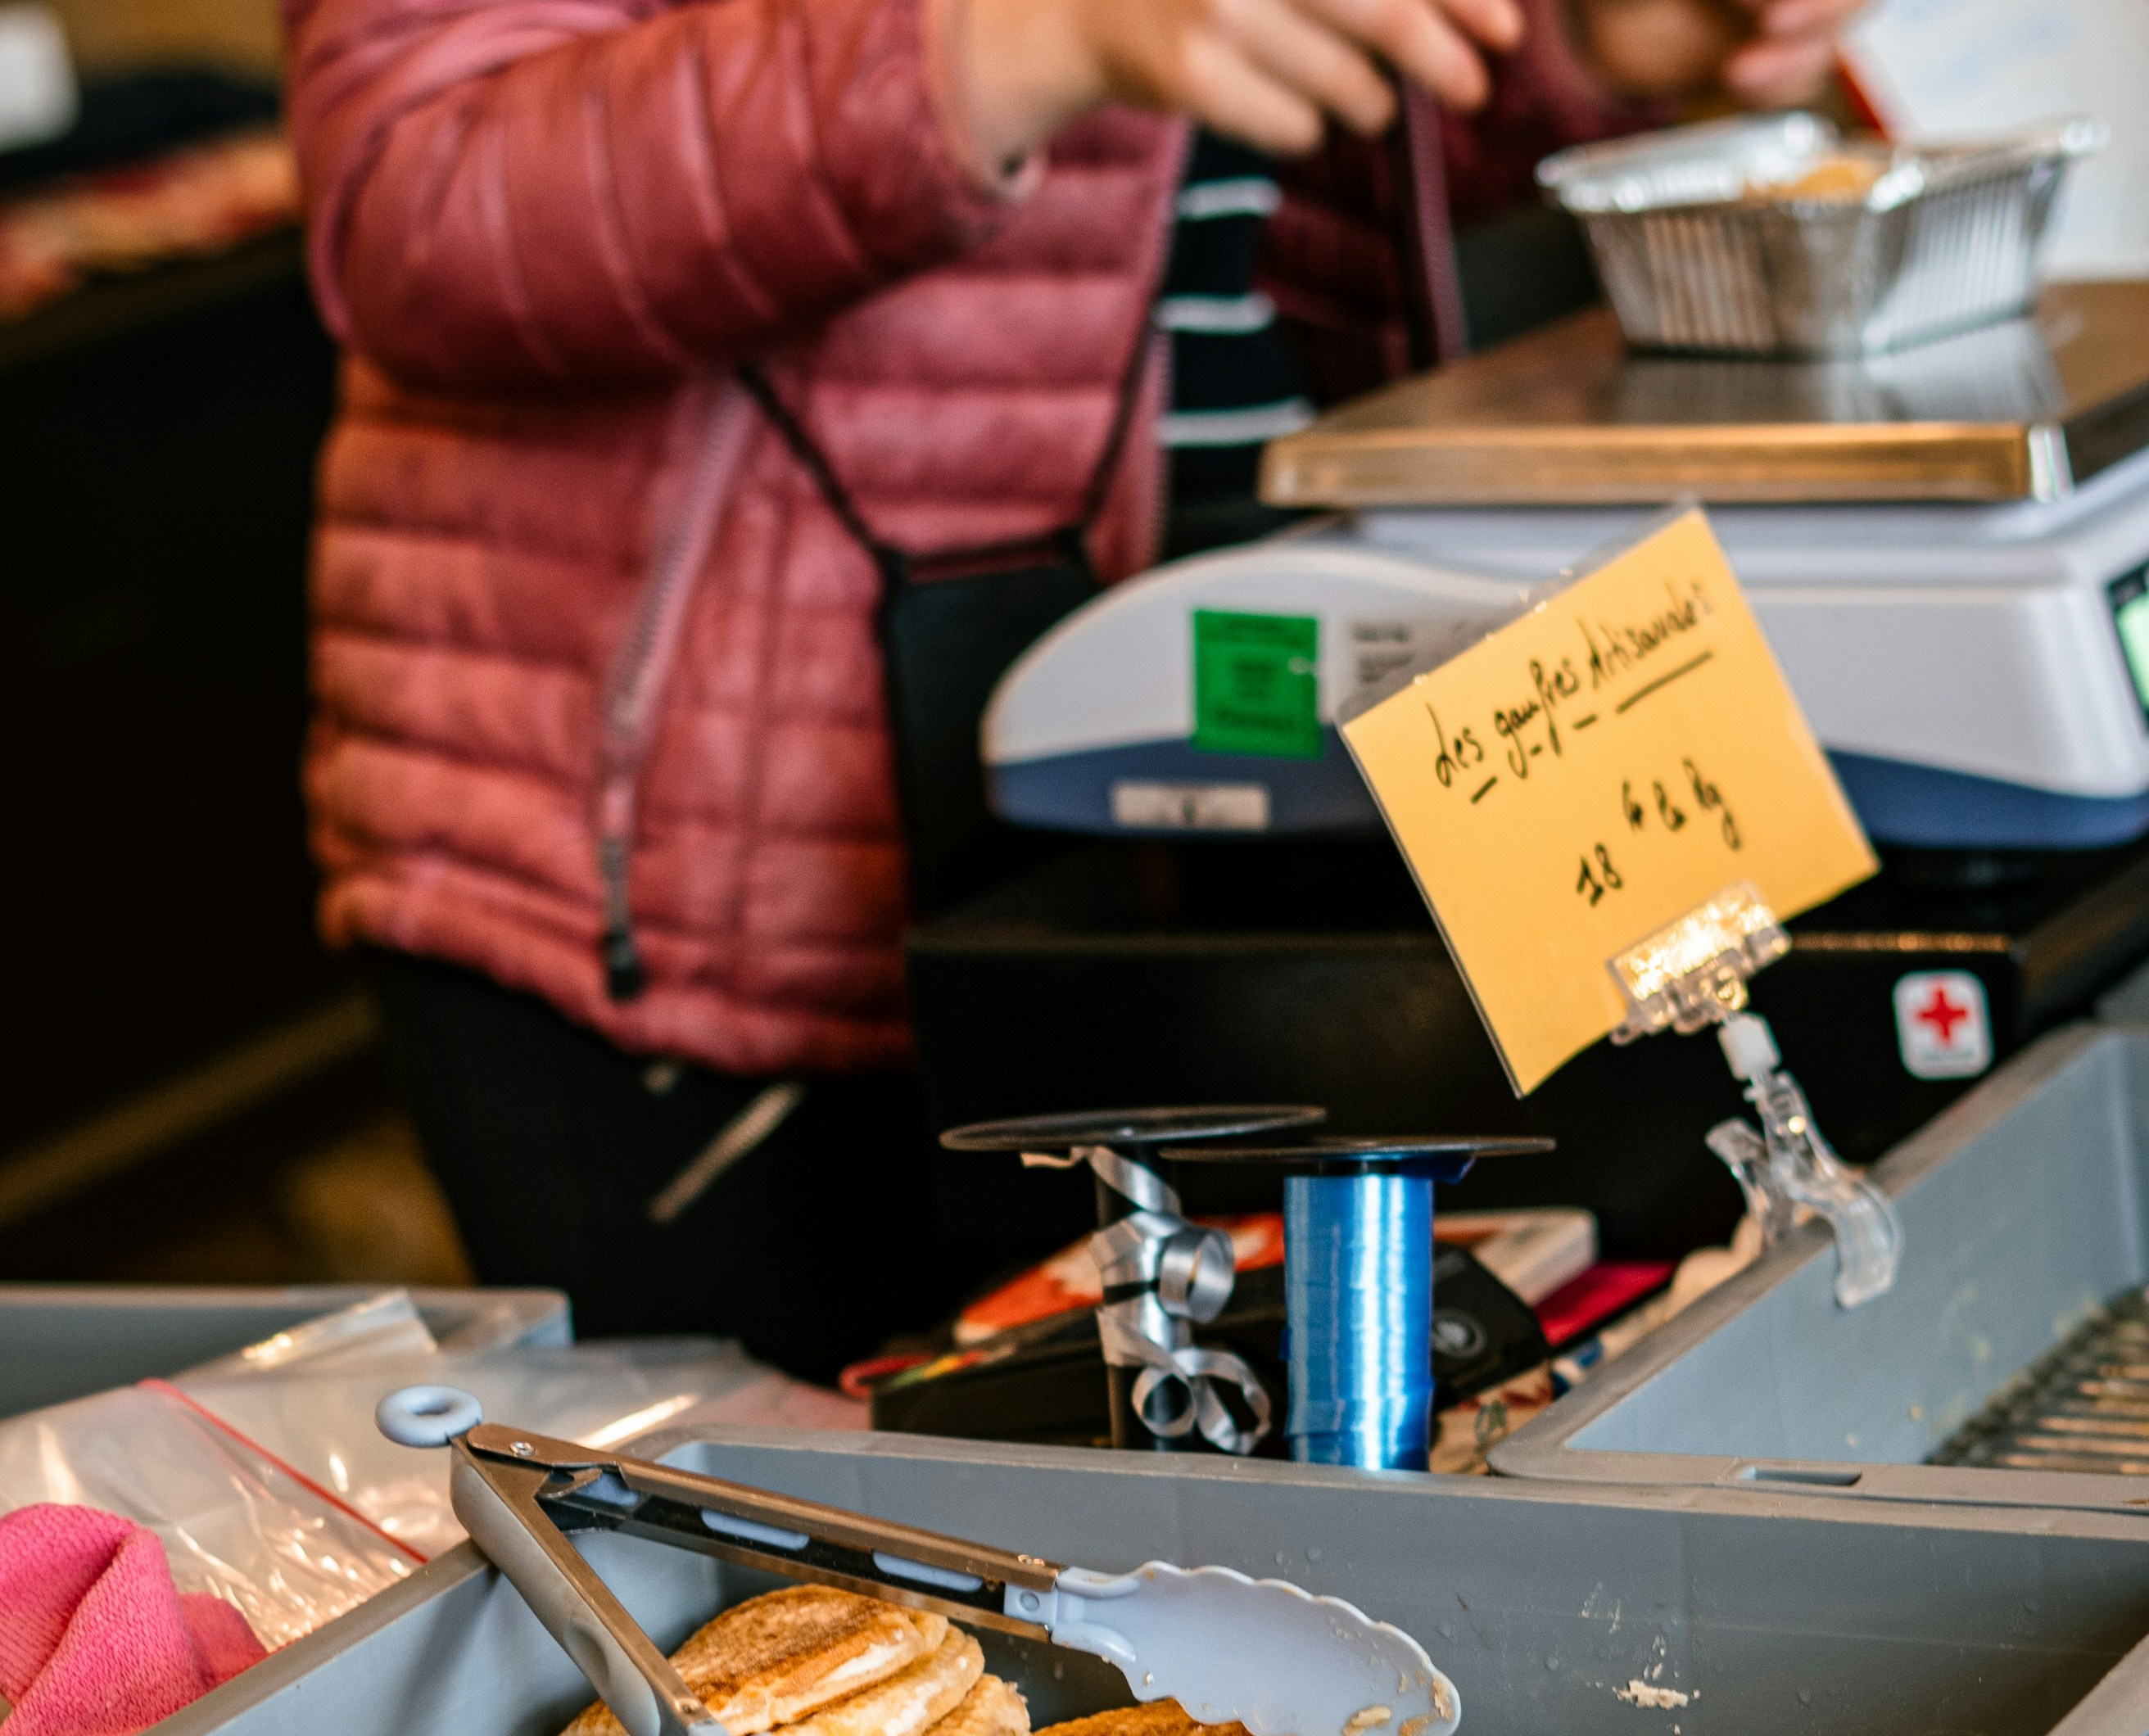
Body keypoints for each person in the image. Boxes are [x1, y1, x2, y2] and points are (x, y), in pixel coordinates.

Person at [284, 0, 1863, 1378]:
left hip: (1167, 764)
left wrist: (1575, 53)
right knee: (785, 1632)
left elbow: (1240, 182)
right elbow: (415, 196)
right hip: (709, 876)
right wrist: (1009, 41)